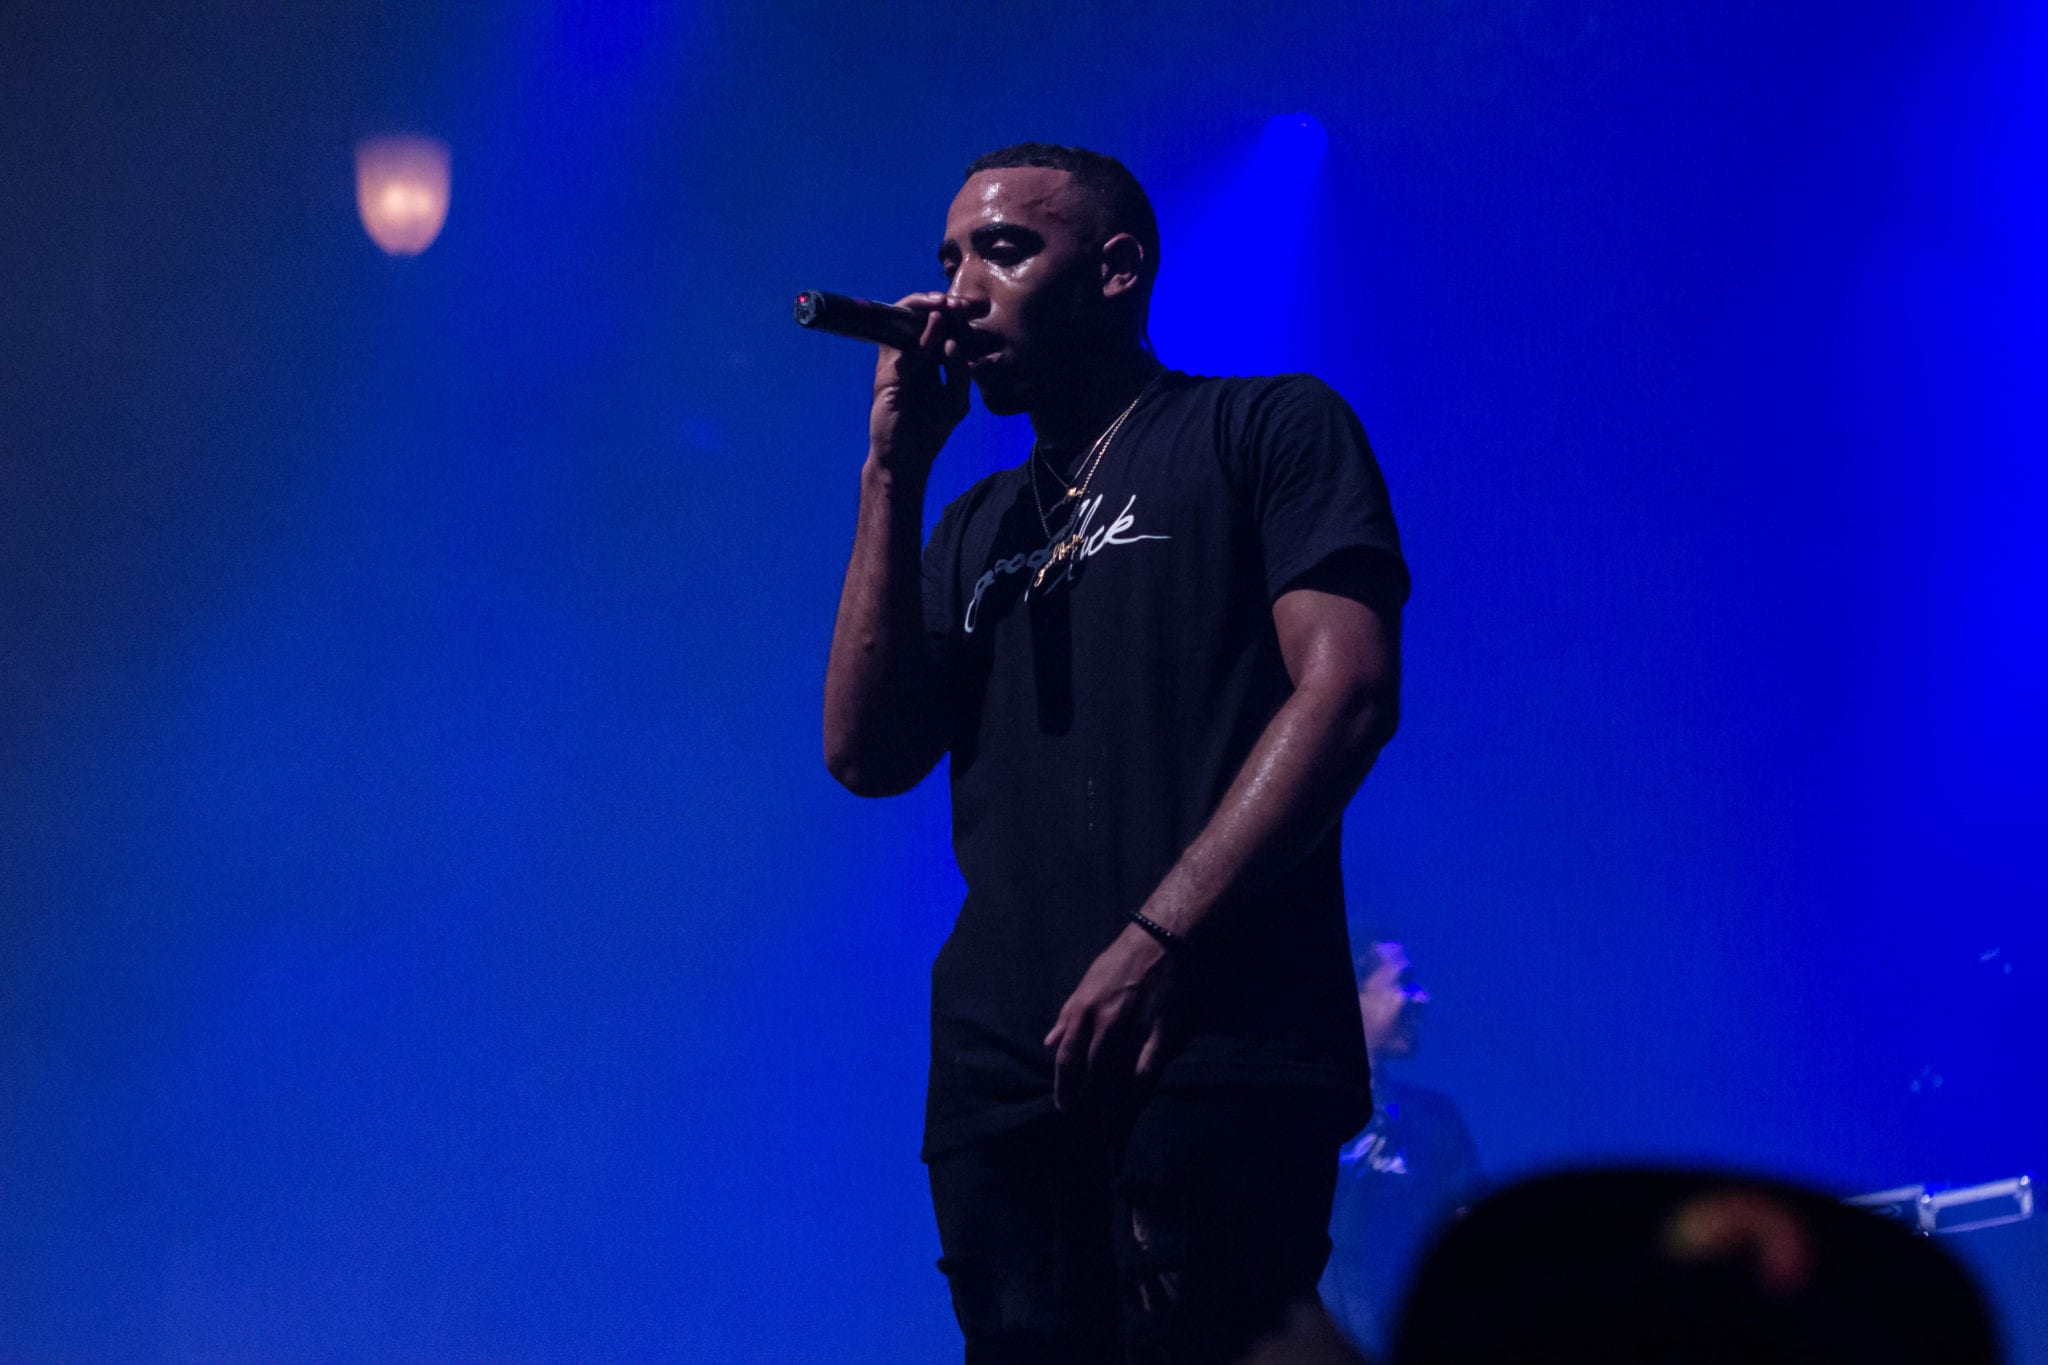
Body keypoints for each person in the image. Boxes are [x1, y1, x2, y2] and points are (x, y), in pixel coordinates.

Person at [822, 142, 1409, 1363]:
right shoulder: (974, 521)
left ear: (1115, 269)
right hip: (1001, 1076)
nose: (959, 292)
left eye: (1003, 250)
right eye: (948, 259)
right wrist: (892, 469)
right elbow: (865, 755)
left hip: (1209, 1041)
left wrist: (1157, 940)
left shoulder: (1264, 427)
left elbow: (1347, 692)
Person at [1319, 940, 1486, 1359]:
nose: (1422, 997)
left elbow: (1470, 1241)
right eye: (1404, 982)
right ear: (1351, 994)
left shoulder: (1435, 1118)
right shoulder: (1299, 1116)